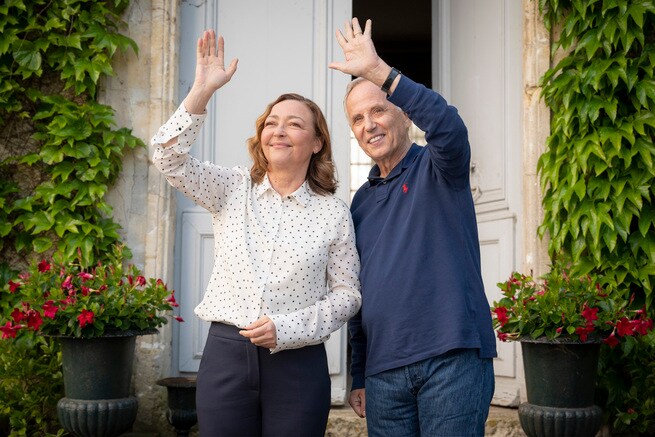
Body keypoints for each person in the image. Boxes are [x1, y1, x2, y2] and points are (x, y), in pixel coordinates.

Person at [151, 29, 361, 436]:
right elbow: (167, 157)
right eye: (271, 123)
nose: (278, 130)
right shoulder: (230, 188)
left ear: (317, 143)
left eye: (294, 124)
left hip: (298, 365)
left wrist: (288, 329)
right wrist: (201, 91)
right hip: (226, 357)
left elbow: (348, 295)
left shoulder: (334, 213)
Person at [328, 18, 497, 436]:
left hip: (452, 358)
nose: (368, 124)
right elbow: (357, 292)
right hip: (385, 375)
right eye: (357, 119)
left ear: (403, 115)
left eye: (378, 110)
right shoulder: (360, 202)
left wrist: (379, 73)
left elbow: (449, 126)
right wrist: (360, 373)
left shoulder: (440, 167)